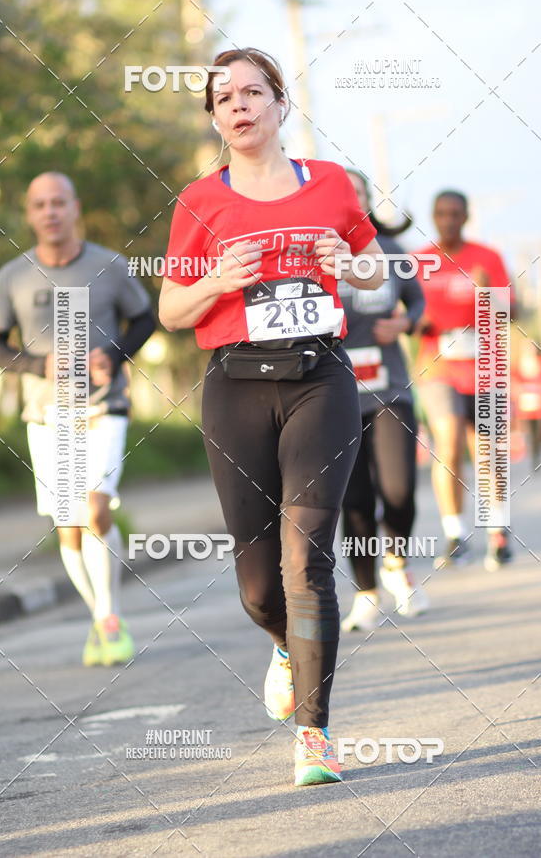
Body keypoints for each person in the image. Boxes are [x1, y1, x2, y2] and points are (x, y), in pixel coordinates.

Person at [159, 48, 386, 787]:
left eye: (253, 91)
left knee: (306, 557)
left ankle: (314, 735)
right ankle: (287, 647)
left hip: (321, 376)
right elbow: (170, 311)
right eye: (223, 97)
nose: (239, 105)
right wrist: (218, 280)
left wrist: (346, 262)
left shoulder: (329, 184)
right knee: (260, 587)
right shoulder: (199, 202)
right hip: (236, 384)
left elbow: (376, 270)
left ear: (281, 105)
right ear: (215, 118)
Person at [0, 172, 155, 665]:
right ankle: (102, 618)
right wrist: (37, 365)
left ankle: (109, 619)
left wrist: (115, 356)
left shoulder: (111, 266)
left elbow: (144, 319)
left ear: (75, 207)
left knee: (97, 508)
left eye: (59, 202)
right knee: (70, 526)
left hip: (104, 406)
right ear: (30, 214)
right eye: (40, 205)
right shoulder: (12, 276)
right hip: (46, 413)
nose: (50, 212)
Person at [338, 169, 429, 631]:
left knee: (398, 491)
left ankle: (396, 558)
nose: (349, 200)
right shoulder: (317, 255)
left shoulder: (390, 252)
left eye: (357, 194)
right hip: (334, 395)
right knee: (353, 499)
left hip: (389, 389)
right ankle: (367, 593)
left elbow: (417, 302)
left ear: (366, 202)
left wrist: (407, 324)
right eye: (342, 193)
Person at [414, 190, 514, 571]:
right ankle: (455, 532)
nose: (449, 219)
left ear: (467, 216)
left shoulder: (487, 257)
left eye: (456, 213)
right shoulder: (419, 261)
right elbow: (402, 314)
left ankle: (496, 533)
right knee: (450, 439)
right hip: (437, 368)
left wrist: (490, 291)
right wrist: (416, 322)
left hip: (486, 368)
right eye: (441, 213)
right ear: (434, 216)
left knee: (488, 451)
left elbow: (511, 312)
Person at [512, 336, 541, 473]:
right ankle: (536, 461)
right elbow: (514, 382)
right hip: (527, 405)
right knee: (533, 434)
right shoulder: (518, 364)